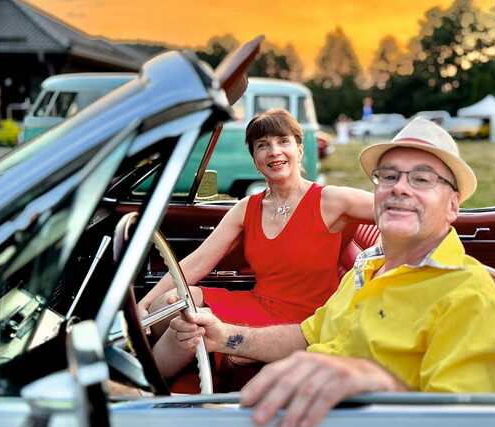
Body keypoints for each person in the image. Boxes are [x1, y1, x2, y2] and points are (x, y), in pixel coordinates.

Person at [168, 117, 495, 427]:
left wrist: (380, 387)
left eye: (422, 179)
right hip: (274, 417)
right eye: (389, 176)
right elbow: (303, 338)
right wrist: (225, 336)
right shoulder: (365, 270)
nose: (400, 189)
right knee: (129, 404)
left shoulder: (468, 297)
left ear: (453, 206)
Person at [139, 108, 374, 378]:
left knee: (189, 325)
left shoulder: (331, 200)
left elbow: (395, 209)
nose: (274, 151)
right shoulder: (246, 208)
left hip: (305, 319)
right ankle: (150, 374)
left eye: (283, 141)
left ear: (299, 150)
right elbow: (199, 260)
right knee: (168, 303)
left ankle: (142, 391)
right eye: (263, 145)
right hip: (258, 302)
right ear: (255, 158)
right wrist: (143, 303)